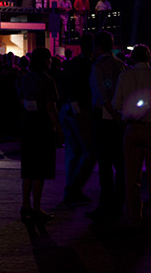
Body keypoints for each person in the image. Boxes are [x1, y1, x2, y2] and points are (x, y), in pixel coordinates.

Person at [113, 44, 151, 229]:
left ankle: (133, 217)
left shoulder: (124, 76)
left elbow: (116, 103)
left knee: (132, 178)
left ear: (132, 58)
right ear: (149, 57)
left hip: (132, 129)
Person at [18, 47, 62, 223]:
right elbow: (51, 107)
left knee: (28, 169)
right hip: (42, 125)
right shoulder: (47, 81)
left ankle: (25, 205)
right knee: (40, 169)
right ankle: (36, 206)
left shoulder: (24, 78)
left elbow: (20, 100)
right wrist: (58, 129)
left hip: (28, 123)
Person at [87, 30, 125, 219]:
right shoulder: (121, 65)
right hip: (119, 116)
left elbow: (101, 96)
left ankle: (106, 203)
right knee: (120, 161)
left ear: (98, 46)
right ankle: (120, 201)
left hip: (103, 118)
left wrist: (112, 113)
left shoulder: (98, 66)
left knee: (104, 162)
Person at [59, 33, 96, 206]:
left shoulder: (71, 64)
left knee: (74, 152)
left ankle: (71, 187)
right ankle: (74, 187)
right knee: (89, 150)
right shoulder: (89, 65)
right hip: (79, 109)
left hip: (67, 108)